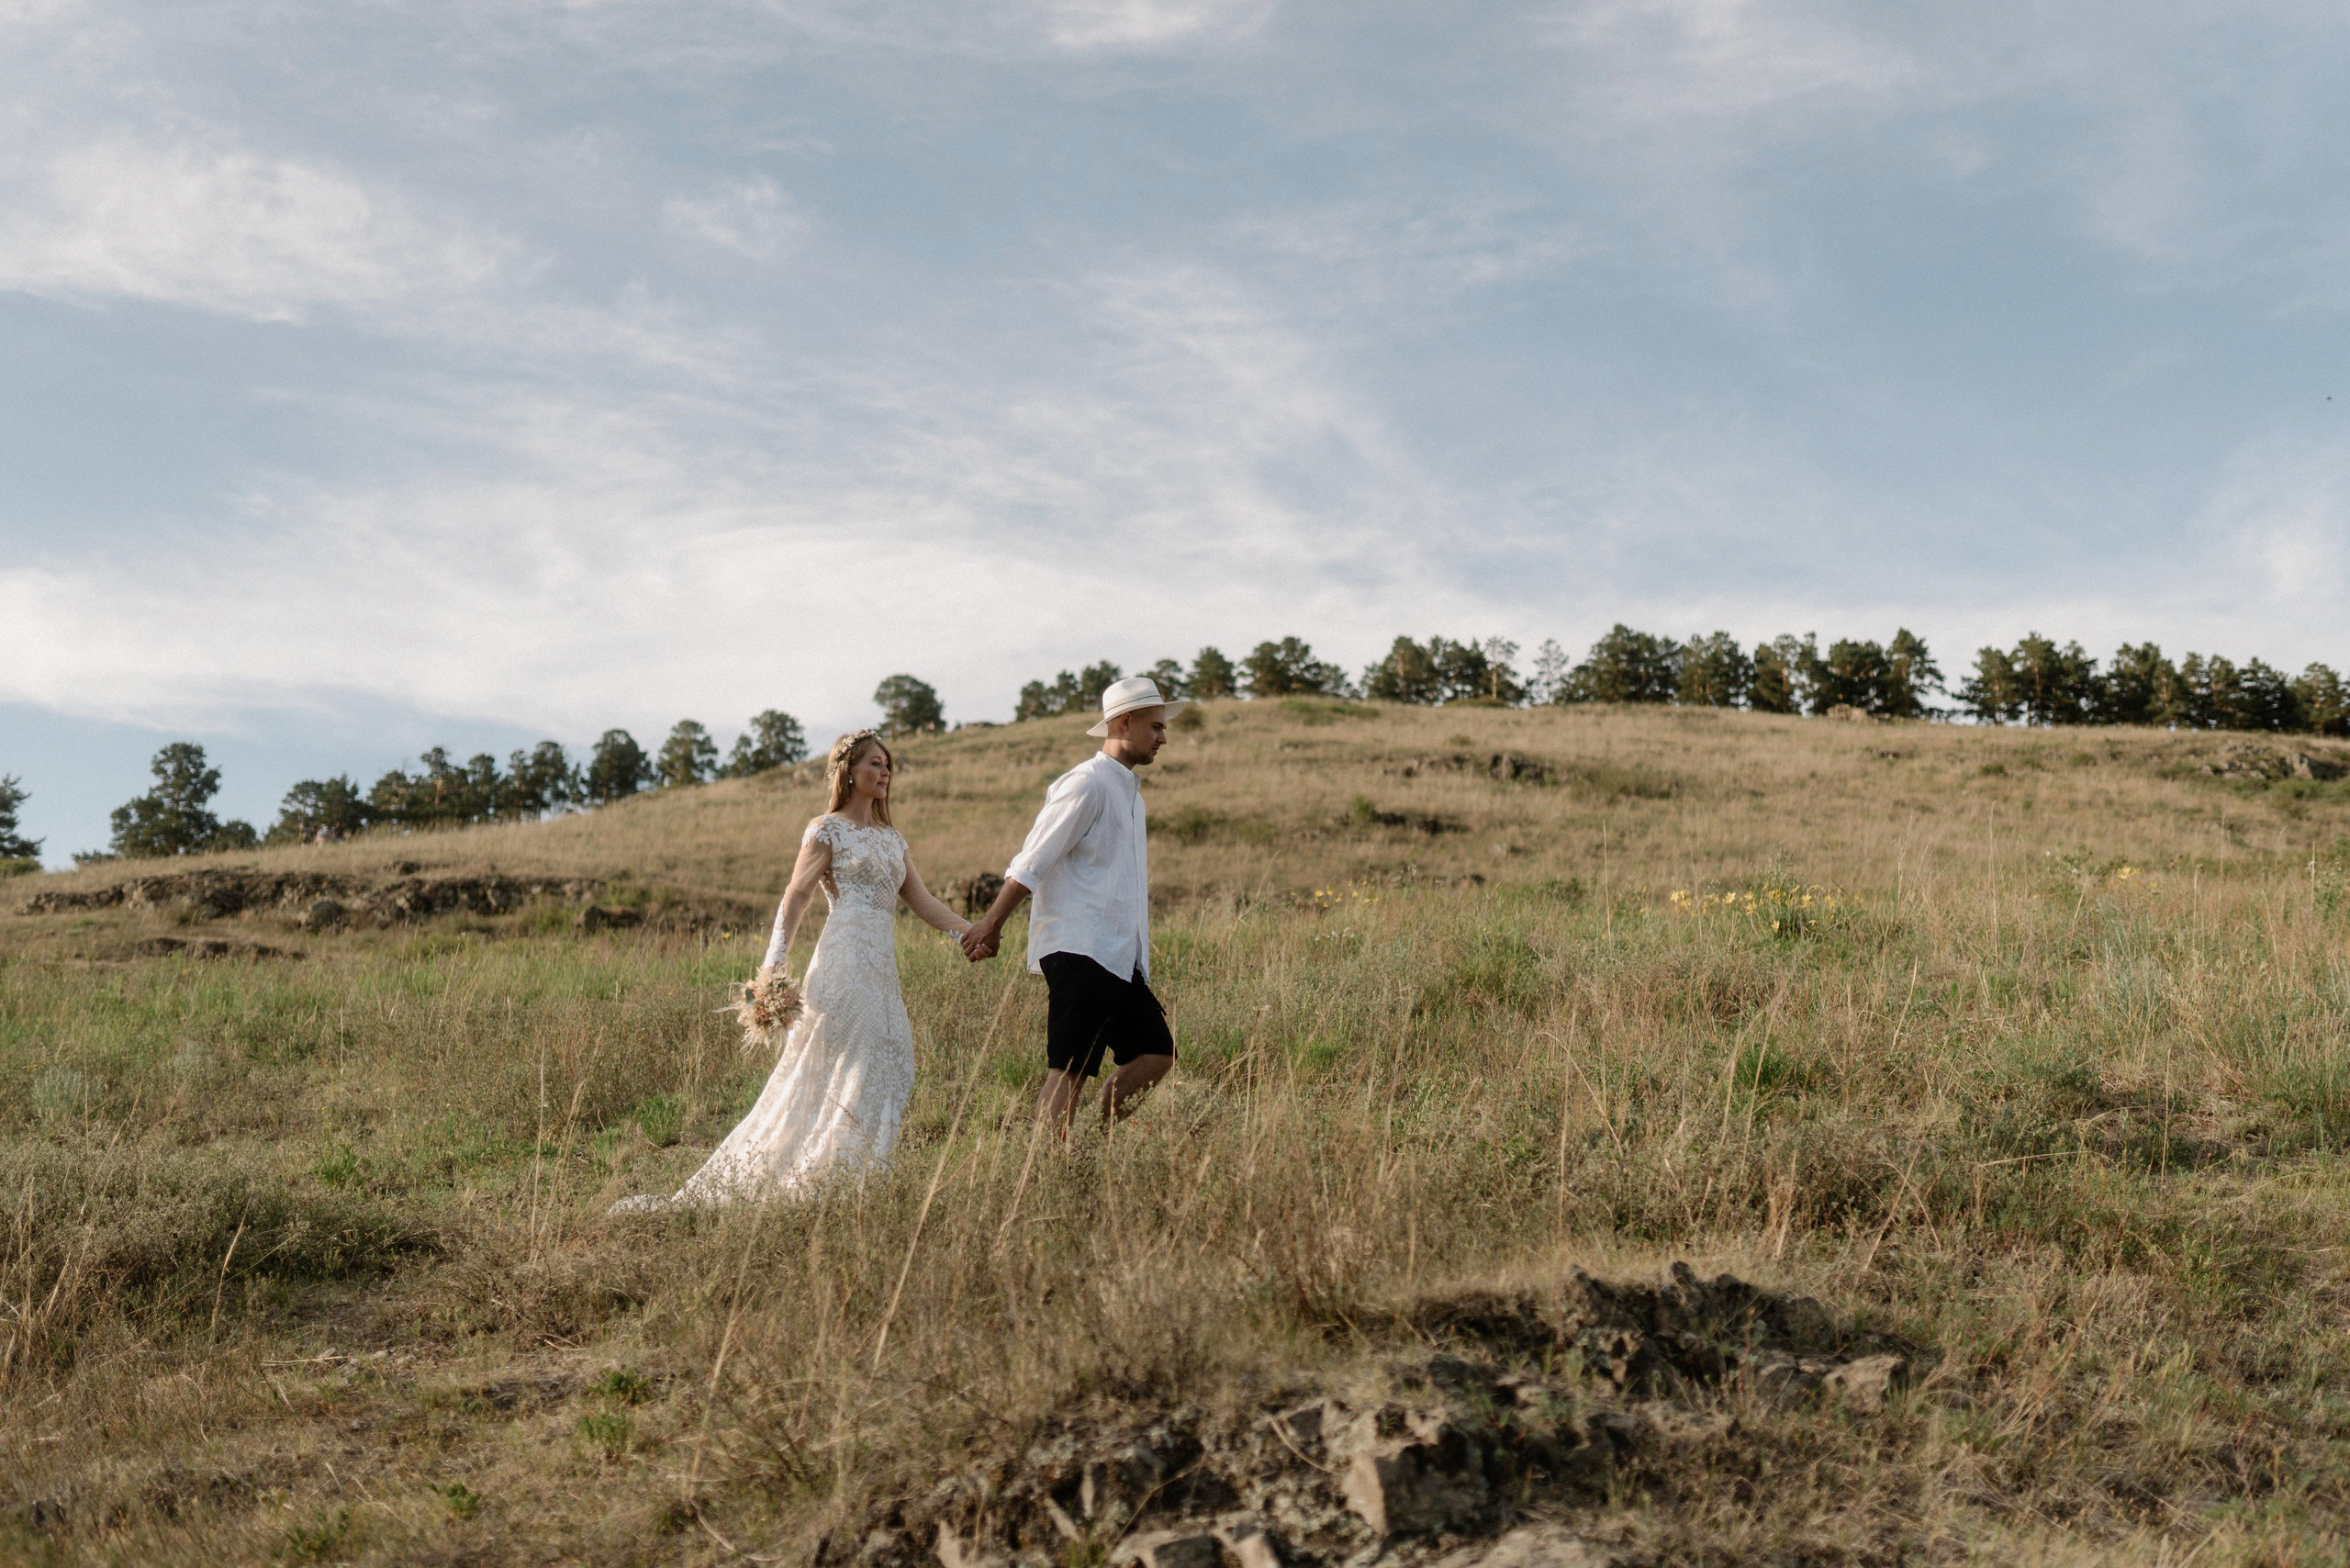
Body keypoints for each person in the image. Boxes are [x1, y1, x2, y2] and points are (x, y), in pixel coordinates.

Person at [611, 730, 970, 1210]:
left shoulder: (893, 839)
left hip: (882, 967)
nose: (884, 774)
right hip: (843, 960)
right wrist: (773, 963)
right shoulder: (826, 828)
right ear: (849, 771)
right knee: (857, 1059)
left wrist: (970, 934)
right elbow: (797, 895)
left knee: (895, 1056)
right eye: (874, 765)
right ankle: (829, 1178)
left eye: (888, 767)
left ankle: (860, 1173)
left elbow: (922, 901)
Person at [962, 676, 1180, 1134]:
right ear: (1124, 721)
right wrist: (992, 924)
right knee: (1070, 1070)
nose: (1164, 737)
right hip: (1081, 948)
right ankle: (1047, 1172)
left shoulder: (1131, 796)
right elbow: (1032, 861)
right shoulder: (1086, 784)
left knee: (1157, 1053)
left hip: (1119, 955)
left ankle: (1094, 1148)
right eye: (1156, 727)